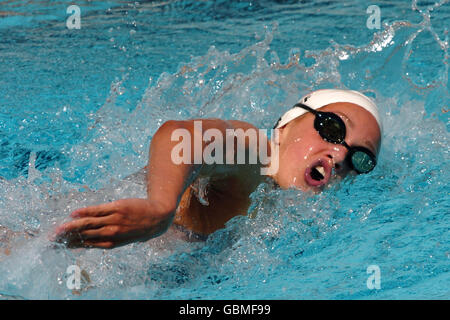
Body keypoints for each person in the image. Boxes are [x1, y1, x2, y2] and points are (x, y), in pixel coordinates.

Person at [53, 89, 382, 248]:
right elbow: (181, 136)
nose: (339, 155)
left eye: (360, 159)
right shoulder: (260, 154)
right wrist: (159, 209)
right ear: (286, 126)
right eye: (333, 128)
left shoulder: (281, 212)